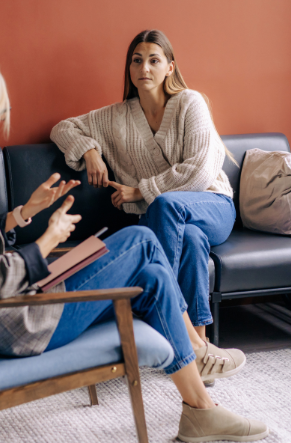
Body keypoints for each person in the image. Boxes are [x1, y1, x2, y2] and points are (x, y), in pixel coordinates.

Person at [0, 57, 268, 442]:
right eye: (1, 110)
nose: (3, 117)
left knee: (154, 273)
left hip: (24, 301)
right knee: (141, 241)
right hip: (18, 321)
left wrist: (25, 212)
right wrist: (48, 239)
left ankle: (199, 409)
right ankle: (196, 348)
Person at [51, 30, 237, 349]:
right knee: (189, 238)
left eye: (154, 60)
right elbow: (63, 128)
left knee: (163, 205)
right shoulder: (117, 117)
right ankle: (200, 345)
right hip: (172, 221)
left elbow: (200, 170)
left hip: (213, 205)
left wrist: (139, 192)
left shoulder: (190, 103)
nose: (144, 69)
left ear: (170, 67)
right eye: (137, 61)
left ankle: (168, 320)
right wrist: (90, 152)